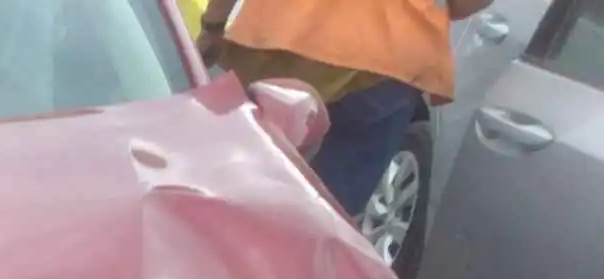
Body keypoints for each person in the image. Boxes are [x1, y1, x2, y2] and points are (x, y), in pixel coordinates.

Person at [195, 0, 495, 219]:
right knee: (327, 212)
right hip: (389, 61)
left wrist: (212, 26)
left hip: (283, 36)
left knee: (225, 177)